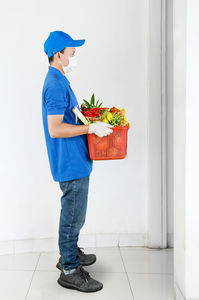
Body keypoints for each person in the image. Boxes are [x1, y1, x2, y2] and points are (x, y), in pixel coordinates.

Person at [42, 30, 113, 293]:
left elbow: (70, 116)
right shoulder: (54, 84)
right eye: (72, 52)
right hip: (70, 163)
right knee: (73, 217)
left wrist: (90, 119)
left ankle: (69, 253)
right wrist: (90, 129)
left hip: (76, 159)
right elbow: (55, 129)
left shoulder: (60, 80)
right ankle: (70, 270)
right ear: (58, 54)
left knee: (75, 215)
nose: (74, 57)